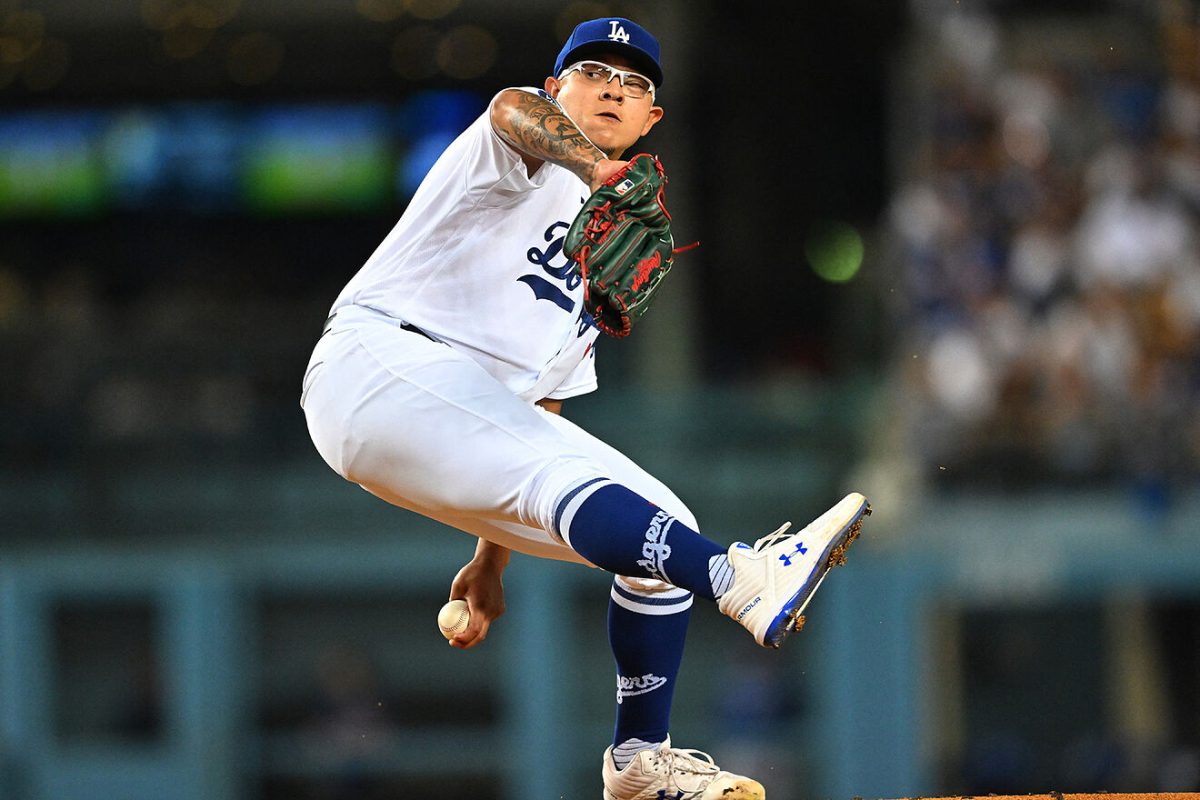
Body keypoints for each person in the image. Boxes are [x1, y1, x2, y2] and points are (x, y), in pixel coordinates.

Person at [301, 16, 870, 800]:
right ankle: (738, 578)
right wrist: (591, 165)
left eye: (635, 83)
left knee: (658, 522)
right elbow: (511, 110)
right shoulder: (518, 146)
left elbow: (537, 413)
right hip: (373, 363)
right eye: (594, 71)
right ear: (557, 85)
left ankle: (639, 761)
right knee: (672, 542)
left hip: (449, 405)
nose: (613, 86)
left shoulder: (610, 242)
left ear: (652, 120)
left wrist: (492, 553)